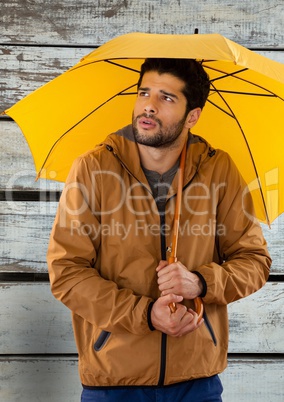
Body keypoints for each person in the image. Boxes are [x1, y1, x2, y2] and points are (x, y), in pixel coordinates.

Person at [47, 58, 271, 401]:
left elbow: (253, 261)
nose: (148, 106)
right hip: (113, 381)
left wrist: (200, 281)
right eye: (144, 92)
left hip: (197, 380)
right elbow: (67, 273)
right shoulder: (92, 169)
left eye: (166, 97)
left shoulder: (219, 169)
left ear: (192, 115)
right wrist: (145, 315)